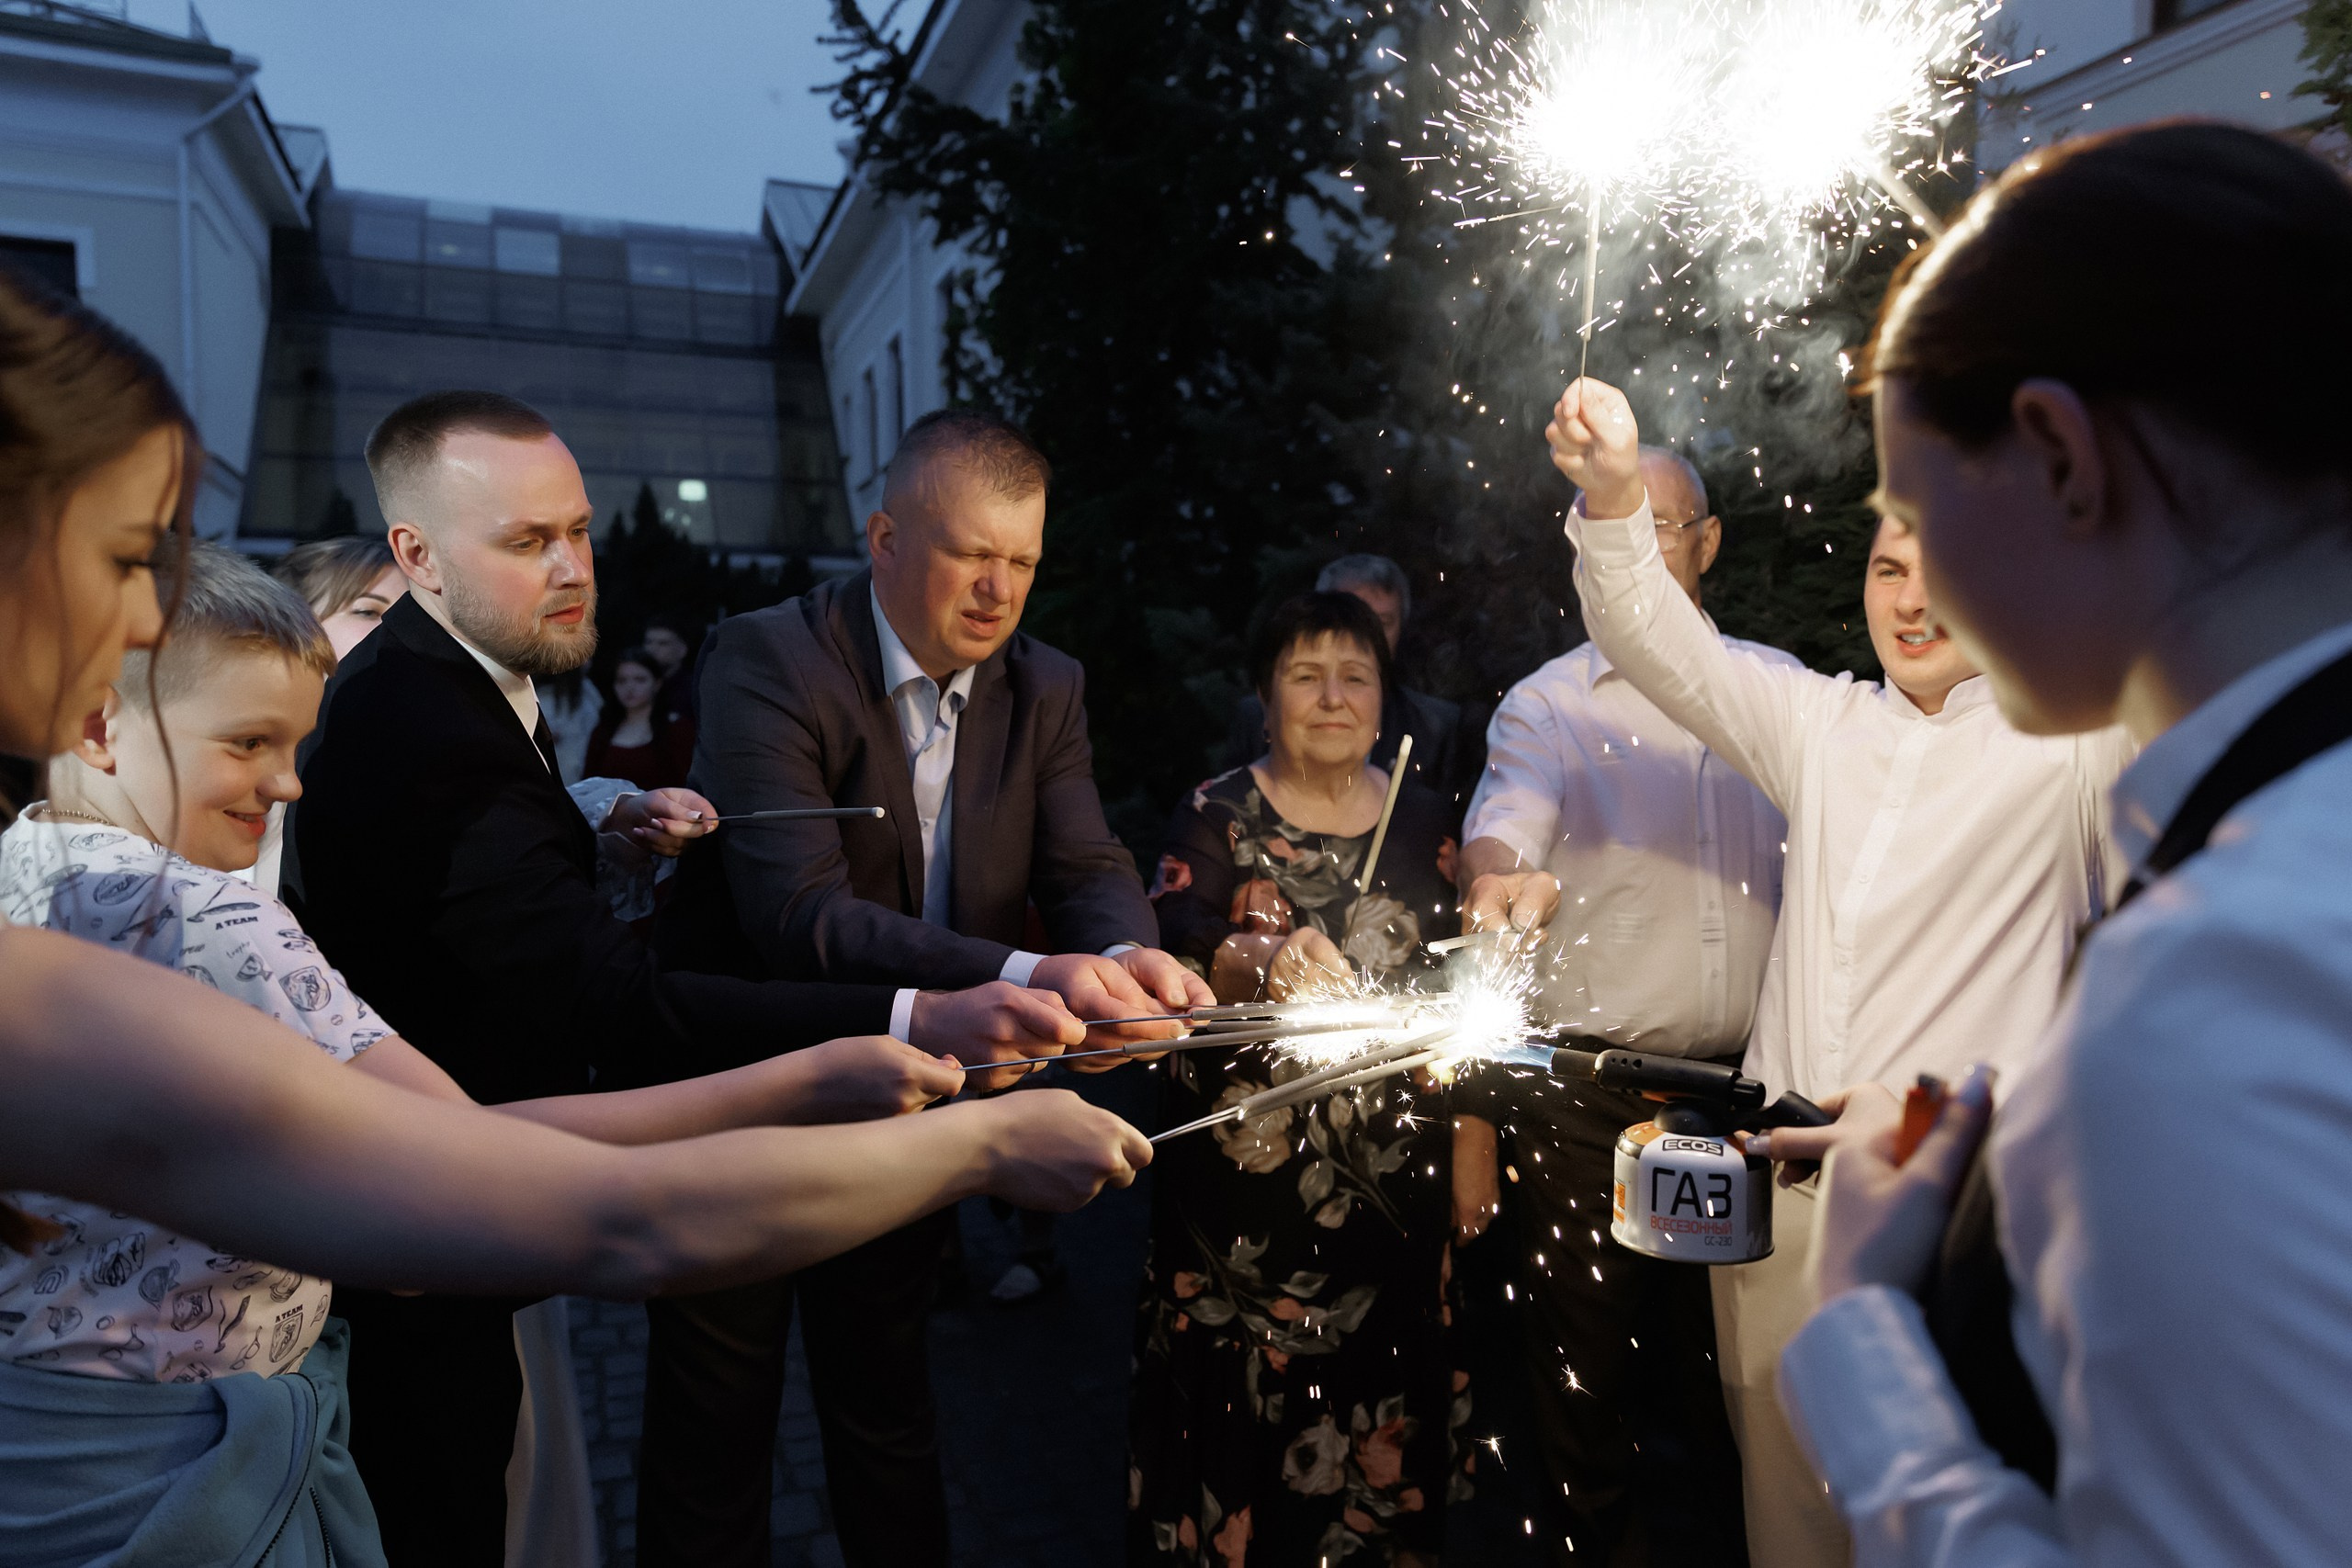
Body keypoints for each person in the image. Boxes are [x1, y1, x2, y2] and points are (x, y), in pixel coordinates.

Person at [0, 264, 1152, 1568]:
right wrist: (970, 1136)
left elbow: (471, 1136)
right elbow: (586, 1201)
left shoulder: (88, 888)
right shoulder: (159, 916)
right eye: (122, 555)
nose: (149, 609)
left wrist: (836, 1064)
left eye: (579, 530)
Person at [0, 539, 958, 1559]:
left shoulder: (27, 870)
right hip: (186, 1488)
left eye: (293, 747)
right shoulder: (206, 919)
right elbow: (475, 1174)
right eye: (248, 744)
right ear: (104, 726)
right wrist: (846, 1091)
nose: (287, 785)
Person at [282, 389, 1104, 1562]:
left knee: (885, 1410)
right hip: (435, 1235)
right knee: (613, 1458)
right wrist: (932, 1012)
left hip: (482, 1207)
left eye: (577, 529)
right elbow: (625, 992)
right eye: (526, 543)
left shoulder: (463, 690)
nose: (574, 569)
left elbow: (498, 916)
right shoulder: (426, 726)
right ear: (413, 555)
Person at [1759, 121, 2352, 1568]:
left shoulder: (2214, 978)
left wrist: (1856, 1339)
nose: (1910, 568)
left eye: (1910, 504)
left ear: (2060, 457)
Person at [1540, 363, 2132, 1564]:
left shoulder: (2074, 741)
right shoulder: (1823, 722)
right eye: (1887, 568)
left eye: (1943, 568)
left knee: (1939, 1517)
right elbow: (1658, 639)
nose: (1912, 601)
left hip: (1958, 1215)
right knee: (1786, 1524)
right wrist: (1611, 495)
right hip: (1769, 1210)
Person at [647, 406, 1208, 1568]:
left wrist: (1123, 958)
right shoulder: (769, 656)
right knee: (718, 1427)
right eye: (972, 553)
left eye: (1024, 563)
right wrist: (1032, 969)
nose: (1000, 591)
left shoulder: (1044, 684)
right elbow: (797, 914)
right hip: (740, 1090)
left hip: (905, 1095)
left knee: (889, 1403)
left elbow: (1087, 859)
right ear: (885, 536)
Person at [1450, 446, 1792, 1563]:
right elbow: (1506, 823)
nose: (1640, 549)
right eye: (1617, 524)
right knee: (1581, 1396)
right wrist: (1497, 877)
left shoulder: (1778, 696)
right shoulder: (1546, 706)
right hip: (1586, 1105)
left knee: (1737, 1394)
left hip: (1753, 1096)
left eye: (1663, 525)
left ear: (1706, 544)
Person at [1132, 590, 1464, 1567]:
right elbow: (1171, 958)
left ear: (1383, 697)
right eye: (1304, 674)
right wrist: (1252, 958)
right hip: (1241, 1205)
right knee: (1240, 1445)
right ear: (1265, 696)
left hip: (1396, 1200)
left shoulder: (1431, 820)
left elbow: (1465, 988)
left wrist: (1476, 1138)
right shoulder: (1214, 812)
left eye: (1354, 675)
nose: (1331, 696)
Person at [1222, 553, 1477, 818]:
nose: (1368, 634)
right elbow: (1228, 815)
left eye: (1384, 623)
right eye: (1351, 618)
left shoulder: (1434, 726)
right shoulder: (1257, 715)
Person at [585, 644, 695, 790]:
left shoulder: (678, 729)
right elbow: (588, 784)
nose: (630, 688)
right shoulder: (603, 731)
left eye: (640, 680)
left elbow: (687, 782)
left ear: (657, 683)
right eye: (622, 680)